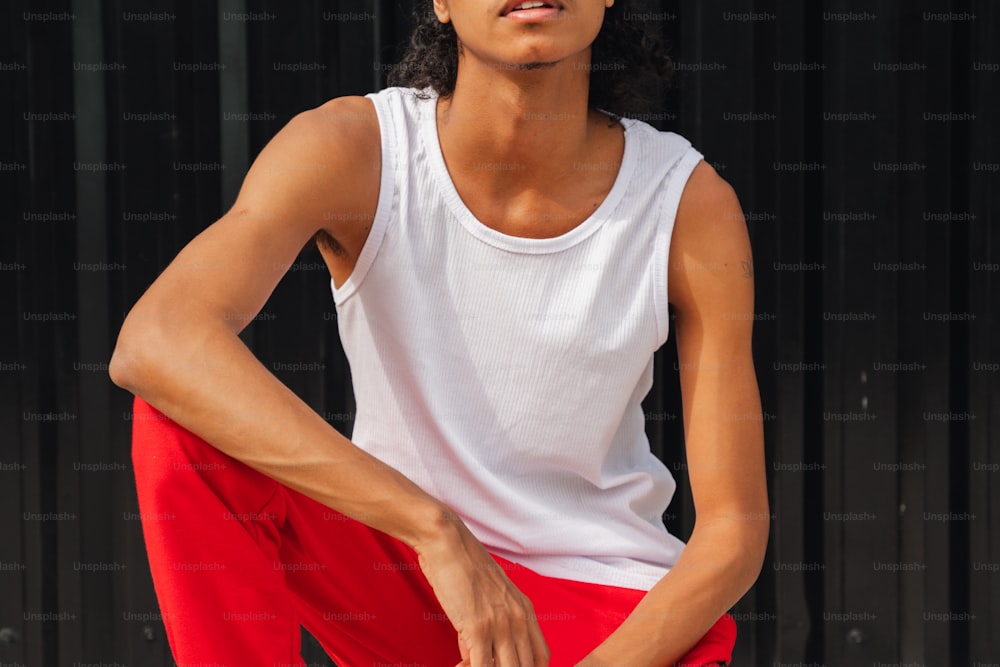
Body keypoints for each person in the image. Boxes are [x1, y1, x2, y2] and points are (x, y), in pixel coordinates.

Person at [109, 1, 768, 665]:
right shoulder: (358, 150)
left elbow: (732, 529)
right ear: (442, 3)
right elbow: (158, 337)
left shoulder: (685, 201)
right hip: (410, 584)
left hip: (602, 609)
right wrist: (434, 529)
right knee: (181, 423)